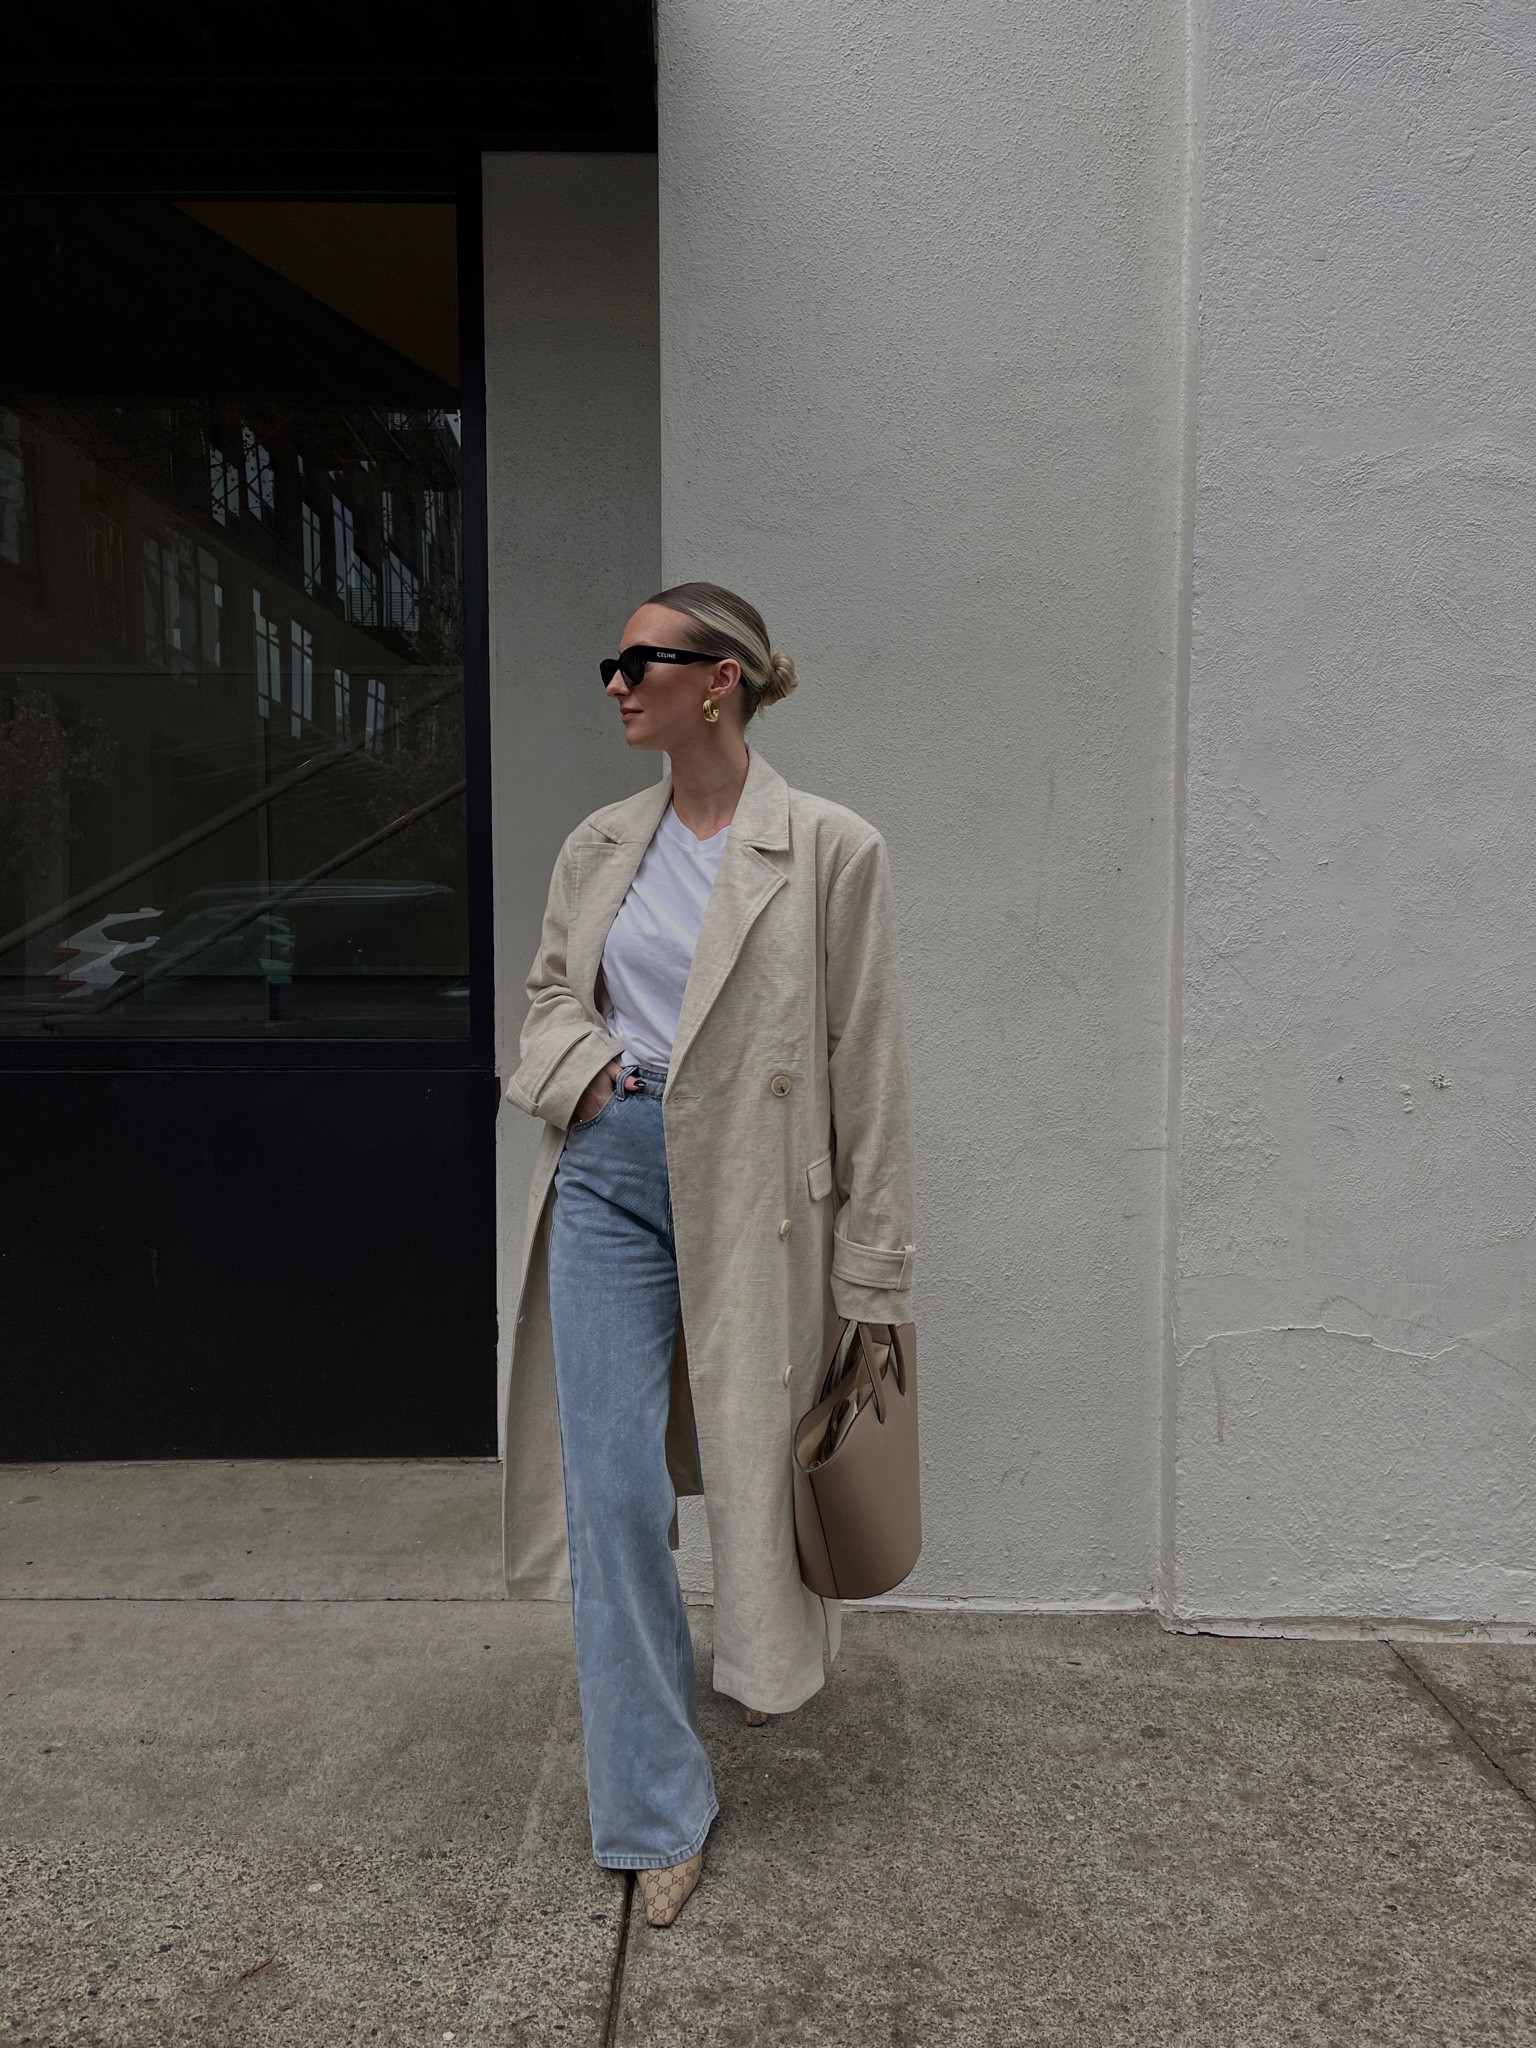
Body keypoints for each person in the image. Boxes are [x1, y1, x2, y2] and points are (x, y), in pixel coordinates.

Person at [502, 582, 915, 1927]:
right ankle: (654, 1808)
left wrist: (874, 1277)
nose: (617, 683)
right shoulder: (599, 844)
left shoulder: (831, 848)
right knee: (613, 1489)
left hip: (757, 1193)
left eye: (642, 661)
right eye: (611, 661)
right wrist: (587, 1075)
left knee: (752, 1469)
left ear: (720, 679)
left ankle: (752, 1678)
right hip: (611, 1174)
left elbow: (867, 1064)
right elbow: (552, 993)